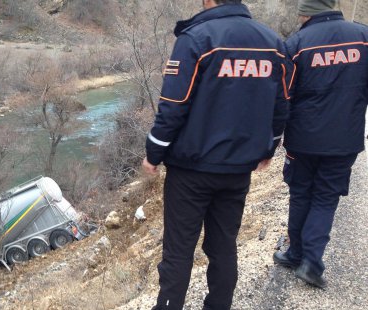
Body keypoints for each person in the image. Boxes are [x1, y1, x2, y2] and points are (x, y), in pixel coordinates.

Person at [142, 0, 289, 309]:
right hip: (238, 170)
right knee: (223, 247)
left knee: (179, 251)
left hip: (191, 170)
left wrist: (153, 153)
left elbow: (173, 105)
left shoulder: (197, 39)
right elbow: (281, 106)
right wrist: (269, 148)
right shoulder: (273, 43)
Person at [273, 0, 368, 289]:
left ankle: (296, 254)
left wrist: (274, 137)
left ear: (305, 12)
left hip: (302, 139)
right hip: (344, 139)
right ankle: (311, 263)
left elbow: (282, 95)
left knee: (301, 193)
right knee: (325, 197)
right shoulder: (363, 37)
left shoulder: (297, 44)